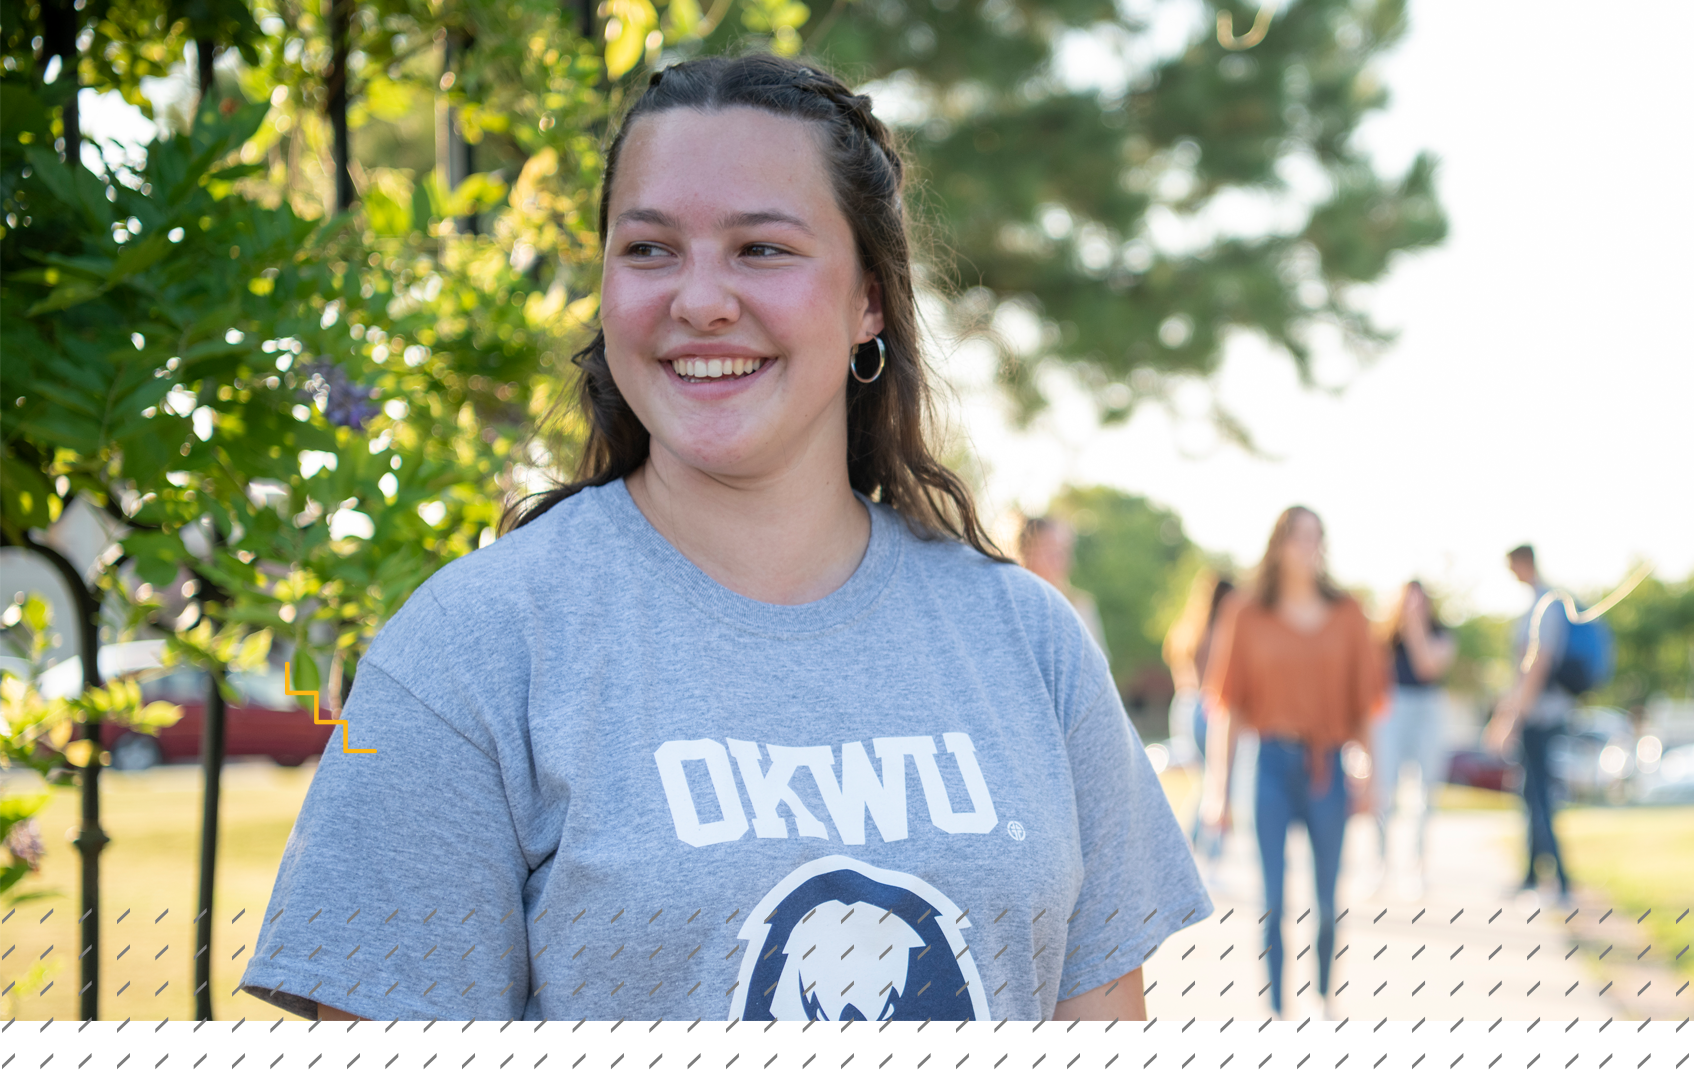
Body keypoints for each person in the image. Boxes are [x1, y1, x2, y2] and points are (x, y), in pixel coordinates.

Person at [238, 53, 1208, 1023]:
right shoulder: (470, 652)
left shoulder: (1030, 648)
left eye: (762, 250)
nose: (699, 300)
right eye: (650, 250)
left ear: (870, 297)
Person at [1200, 507, 1384, 1020]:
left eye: (1318, 538)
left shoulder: (1348, 613)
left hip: (1327, 767)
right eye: (1300, 537)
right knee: (1274, 901)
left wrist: (1373, 776)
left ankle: (1325, 1001)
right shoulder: (1246, 612)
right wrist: (1218, 789)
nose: (1311, 547)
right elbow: (1228, 707)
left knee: (1327, 903)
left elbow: (1364, 705)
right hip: (1269, 767)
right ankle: (1277, 1013)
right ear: (1278, 544)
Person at [1482, 544, 1575, 906]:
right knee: (1529, 796)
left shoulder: (1547, 604)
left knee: (1540, 799)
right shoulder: (1542, 603)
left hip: (1541, 717)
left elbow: (1537, 665)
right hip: (1535, 715)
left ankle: (1562, 883)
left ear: (1524, 563)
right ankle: (1532, 877)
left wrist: (1510, 718)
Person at [1369, 580, 1456, 898]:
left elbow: (1427, 667)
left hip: (1427, 710)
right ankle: (1380, 866)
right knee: (1382, 793)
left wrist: (1416, 629)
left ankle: (1417, 869)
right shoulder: (1383, 638)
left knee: (1423, 795)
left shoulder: (1442, 634)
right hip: (1391, 708)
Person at [1162, 569, 1235, 854]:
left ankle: (1191, 847)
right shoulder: (1221, 631)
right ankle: (1205, 850)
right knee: (1215, 781)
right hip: (1209, 708)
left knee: (1203, 781)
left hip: (1184, 705)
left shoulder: (1189, 629)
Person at [1017, 515, 1108, 658]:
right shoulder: (1011, 606)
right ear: (1024, 551)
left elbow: (1097, 669)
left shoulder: (1081, 607)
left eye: (1064, 551)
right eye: (1048, 549)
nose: (1058, 560)